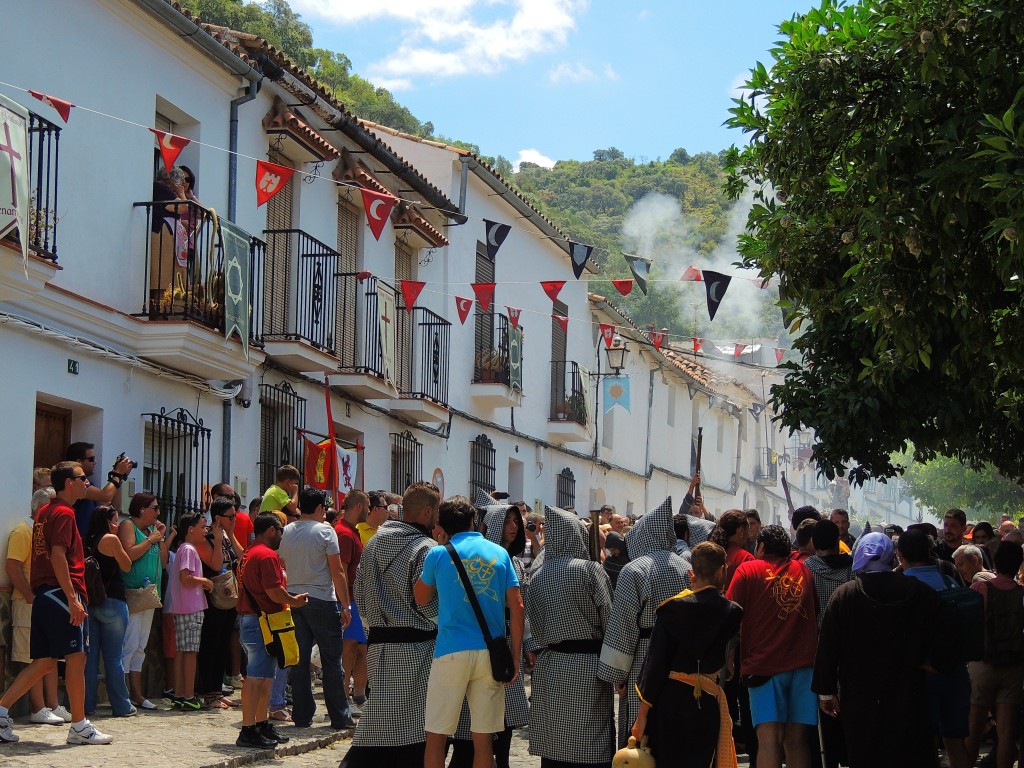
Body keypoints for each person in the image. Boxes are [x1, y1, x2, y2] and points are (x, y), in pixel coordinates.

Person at [814, 532, 959, 767]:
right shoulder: (918, 591)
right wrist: (936, 663)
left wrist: (826, 692)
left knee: (866, 754)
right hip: (908, 691)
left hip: (860, 697)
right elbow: (951, 629)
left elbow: (828, 645)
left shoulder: (846, 595)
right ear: (893, 556)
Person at [0, 461, 113, 745]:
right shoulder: (63, 512)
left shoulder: (46, 512)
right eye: (82, 478)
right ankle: (79, 726)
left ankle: (1, 711)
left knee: (45, 662)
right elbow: (58, 556)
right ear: (68, 483)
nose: (87, 482)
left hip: (47, 595)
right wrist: (73, 598)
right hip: (61, 594)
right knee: (77, 658)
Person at [415, 497, 524, 768]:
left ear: (442, 525)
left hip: (450, 650)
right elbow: (518, 607)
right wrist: (515, 656)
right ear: (474, 520)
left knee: (437, 735)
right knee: (484, 739)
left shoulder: (439, 554)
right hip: (490, 652)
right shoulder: (499, 553)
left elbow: (420, 597)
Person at [341, 481, 440, 768]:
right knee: (412, 724)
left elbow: (359, 590)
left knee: (380, 718)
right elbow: (429, 604)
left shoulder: (374, 542)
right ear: (427, 511)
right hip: (417, 648)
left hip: (379, 644)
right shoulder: (426, 549)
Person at [631, 541, 743, 768]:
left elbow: (655, 664)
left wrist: (642, 715)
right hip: (707, 700)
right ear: (722, 571)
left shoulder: (670, 610)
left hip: (669, 701)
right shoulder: (733, 612)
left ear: (691, 573)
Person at [527, 505, 615, 768]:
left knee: (556, 740)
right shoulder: (590, 570)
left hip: (550, 665)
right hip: (588, 665)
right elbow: (610, 619)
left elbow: (533, 623)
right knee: (590, 739)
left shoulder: (537, 574)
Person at [598, 498, 690, 749]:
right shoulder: (687, 567)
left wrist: (616, 674)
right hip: (683, 657)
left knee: (641, 734)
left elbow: (624, 626)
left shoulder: (635, 570)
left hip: (644, 657)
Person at [726, 524, 818, 768]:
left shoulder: (747, 570)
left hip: (763, 666)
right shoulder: (803, 571)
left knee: (768, 741)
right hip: (804, 666)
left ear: (762, 546)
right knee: (797, 741)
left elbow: (729, 615)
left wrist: (728, 657)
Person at [447, 505, 532, 768]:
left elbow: (521, 608)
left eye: (516, 521)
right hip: (482, 641)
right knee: (471, 724)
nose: (513, 526)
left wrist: (527, 644)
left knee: (503, 723)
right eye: (506, 521)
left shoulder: (516, 561)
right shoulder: (484, 558)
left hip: (506, 644)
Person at [278, 486, 354, 729]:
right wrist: (346, 605)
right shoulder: (326, 531)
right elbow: (337, 570)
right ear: (321, 508)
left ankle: (302, 715)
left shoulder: (287, 530)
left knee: (299, 662)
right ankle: (339, 716)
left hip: (293, 597)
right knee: (332, 661)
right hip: (322, 599)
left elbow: (281, 563)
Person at [898, 530, 972, 768]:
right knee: (955, 743)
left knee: (923, 745)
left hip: (919, 675)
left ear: (900, 555)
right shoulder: (949, 580)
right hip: (955, 673)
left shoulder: (902, 588)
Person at [236, 513, 309, 749]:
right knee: (256, 678)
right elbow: (274, 591)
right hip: (261, 622)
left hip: (255, 620)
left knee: (265, 678)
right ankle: (248, 729)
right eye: (280, 530)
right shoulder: (266, 555)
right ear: (270, 530)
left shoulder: (249, 553)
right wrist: (294, 601)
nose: (282, 535)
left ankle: (260, 724)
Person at [5, 487, 69, 725]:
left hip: (45, 602)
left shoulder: (44, 534)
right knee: (34, 658)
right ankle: (38, 707)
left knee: (50, 656)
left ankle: (52, 705)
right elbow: (13, 566)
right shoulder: (23, 532)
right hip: (28, 603)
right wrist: (30, 596)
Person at [965, 540, 1024, 768]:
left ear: (995, 563)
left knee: (973, 728)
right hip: (1014, 666)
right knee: (1007, 733)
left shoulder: (980, 588)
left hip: (983, 662)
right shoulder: (1021, 593)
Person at [802, 519, 854, 768]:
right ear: (837, 542)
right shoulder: (853, 569)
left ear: (813, 543)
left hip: (817, 646)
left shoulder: (804, 570)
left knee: (822, 708)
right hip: (848, 645)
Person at [83, 505, 135, 718]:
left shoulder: (89, 541)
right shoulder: (111, 540)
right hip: (112, 601)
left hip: (92, 603)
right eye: (114, 521)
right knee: (114, 657)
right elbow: (126, 565)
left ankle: (86, 706)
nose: (116, 525)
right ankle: (122, 706)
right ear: (106, 522)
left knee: (91, 658)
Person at [117, 492, 168, 711]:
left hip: (149, 594)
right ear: (141, 509)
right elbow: (128, 555)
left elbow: (163, 562)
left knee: (141, 645)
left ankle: (137, 693)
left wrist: (160, 538)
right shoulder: (128, 526)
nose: (158, 512)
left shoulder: (152, 533)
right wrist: (150, 540)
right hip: (134, 593)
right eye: (155, 508)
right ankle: (122, 694)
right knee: (129, 643)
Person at [195, 495, 243, 709]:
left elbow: (242, 557)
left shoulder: (226, 536)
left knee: (223, 644)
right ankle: (209, 692)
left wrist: (230, 535)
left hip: (229, 596)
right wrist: (216, 539)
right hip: (212, 598)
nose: (234, 519)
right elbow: (215, 565)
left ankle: (217, 689)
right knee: (211, 645)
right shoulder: (205, 537)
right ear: (217, 517)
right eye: (230, 517)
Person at [166, 511, 213, 710]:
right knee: (190, 652)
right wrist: (205, 581)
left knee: (183, 652)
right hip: (191, 608)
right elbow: (185, 578)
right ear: (191, 530)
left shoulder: (183, 549)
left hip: (182, 606)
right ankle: (188, 695)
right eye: (202, 527)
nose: (205, 530)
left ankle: (180, 694)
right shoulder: (189, 550)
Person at [335, 490, 368, 712]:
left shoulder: (351, 531)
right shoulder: (344, 534)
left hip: (356, 599)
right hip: (349, 599)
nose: (369, 510)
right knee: (349, 648)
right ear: (358, 507)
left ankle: (358, 696)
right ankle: (344, 696)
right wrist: (345, 603)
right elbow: (342, 571)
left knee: (361, 648)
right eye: (367, 506)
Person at [64, 442, 136, 538]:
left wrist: (120, 477)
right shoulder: (75, 483)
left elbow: (113, 509)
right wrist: (117, 473)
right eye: (91, 459)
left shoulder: (89, 485)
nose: (95, 462)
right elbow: (105, 496)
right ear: (79, 462)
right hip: (74, 541)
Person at [709, 509, 754, 588]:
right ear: (741, 531)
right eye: (748, 530)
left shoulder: (709, 552)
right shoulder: (746, 558)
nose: (748, 536)